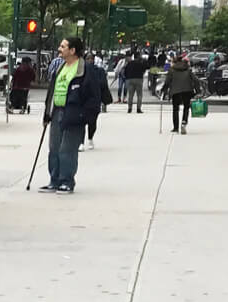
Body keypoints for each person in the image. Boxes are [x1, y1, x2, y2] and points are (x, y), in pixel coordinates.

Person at [40, 36, 107, 193]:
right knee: (54, 147)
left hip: (74, 114)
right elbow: (52, 91)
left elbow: (94, 96)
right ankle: (54, 180)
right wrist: (47, 113)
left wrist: (85, 116)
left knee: (67, 149)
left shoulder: (85, 70)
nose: (59, 49)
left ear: (72, 50)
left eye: (63, 46)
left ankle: (67, 181)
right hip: (57, 111)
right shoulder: (60, 67)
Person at [163, 51, 199, 134]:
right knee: (186, 108)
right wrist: (197, 91)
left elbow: (167, 81)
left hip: (175, 91)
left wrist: (164, 91)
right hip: (187, 90)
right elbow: (196, 80)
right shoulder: (188, 69)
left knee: (175, 109)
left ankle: (175, 128)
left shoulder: (172, 70)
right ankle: (184, 122)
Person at [121, 49, 149, 114]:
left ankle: (129, 108)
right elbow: (147, 67)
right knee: (139, 95)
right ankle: (138, 108)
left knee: (130, 95)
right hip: (139, 79)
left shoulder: (130, 63)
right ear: (139, 56)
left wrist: (127, 77)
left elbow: (125, 71)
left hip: (130, 79)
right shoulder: (141, 63)